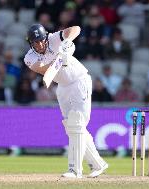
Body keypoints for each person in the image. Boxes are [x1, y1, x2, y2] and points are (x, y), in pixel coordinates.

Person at [24, 24, 108, 178]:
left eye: (42, 40)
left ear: (46, 37)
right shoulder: (29, 57)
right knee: (72, 128)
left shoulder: (54, 38)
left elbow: (76, 29)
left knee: (77, 124)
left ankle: (75, 170)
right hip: (62, 87)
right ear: (30, 43)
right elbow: (44, 70)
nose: (40, 44)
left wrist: (67, 42)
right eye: (36, 42)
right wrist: (61, 58)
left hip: (79, 81)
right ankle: (98, 164)